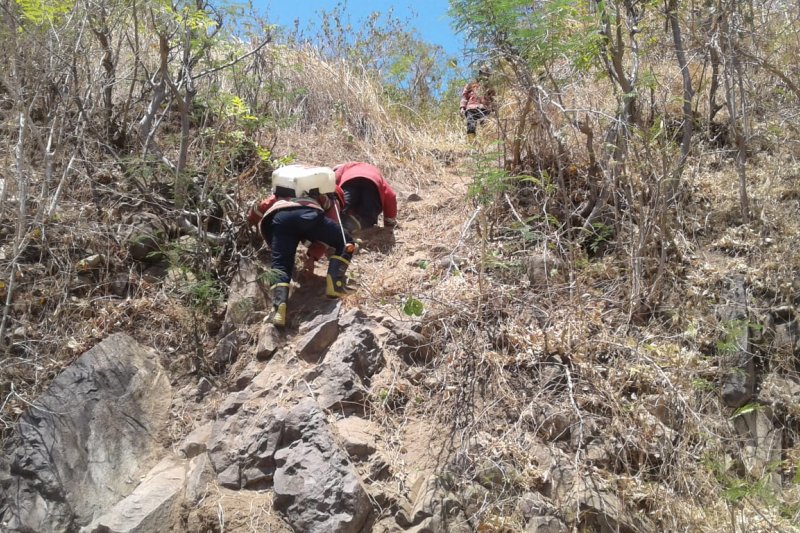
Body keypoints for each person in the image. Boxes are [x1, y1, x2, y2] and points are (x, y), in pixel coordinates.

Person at [247, 165, 356, 327]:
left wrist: (250, 222)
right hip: (309, 215)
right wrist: (314, 256)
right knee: (346, 242)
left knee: (281, 265)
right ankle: (336, 285)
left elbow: (261, 207)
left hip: (279, 220)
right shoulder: (328, 197)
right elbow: (331, 227)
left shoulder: (284, 192)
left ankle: (278, 309)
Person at [333, 162, 398, 233]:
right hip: (372, 183)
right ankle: (362, 225)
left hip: (350, 182)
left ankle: (344, 225)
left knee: (344, 208)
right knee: (368, 217)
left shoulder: (341, 168)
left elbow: (332, 185)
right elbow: (391, 196)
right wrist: (389, 222)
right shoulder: (374, 170)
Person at [459, 64, 496, 142]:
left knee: (486, 127)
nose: (485, 76)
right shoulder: (471, 84)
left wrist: (494, 110)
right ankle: (472, 146)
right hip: (471, 108)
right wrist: (462, 107)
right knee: (470, 126)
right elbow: (464, 96)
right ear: (480, 73)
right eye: (484, 74)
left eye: (487, 75)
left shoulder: (489, 87)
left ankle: (486, 146)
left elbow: (493, 99)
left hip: (485, 109)